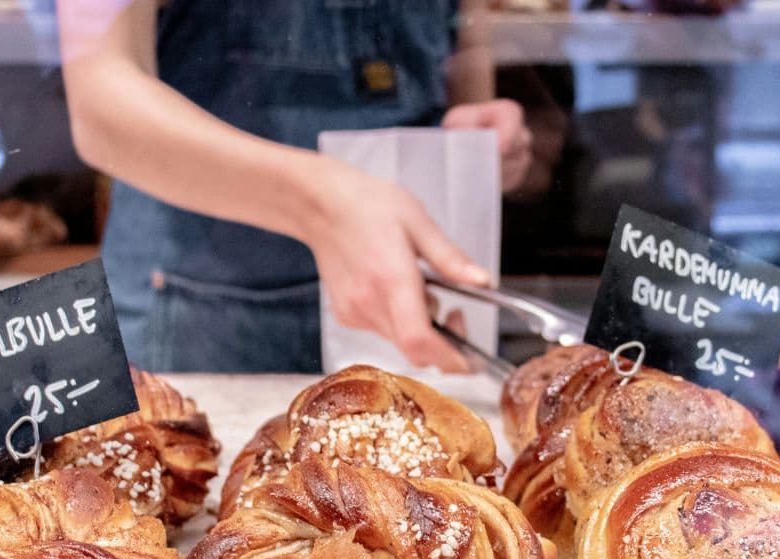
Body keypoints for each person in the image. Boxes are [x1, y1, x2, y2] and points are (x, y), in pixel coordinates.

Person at [57, 0, 533, 373]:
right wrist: (320, 206)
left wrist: (473, 140)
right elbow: (101, 104)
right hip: (197, 306)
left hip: (407, 293)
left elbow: (466, 41)